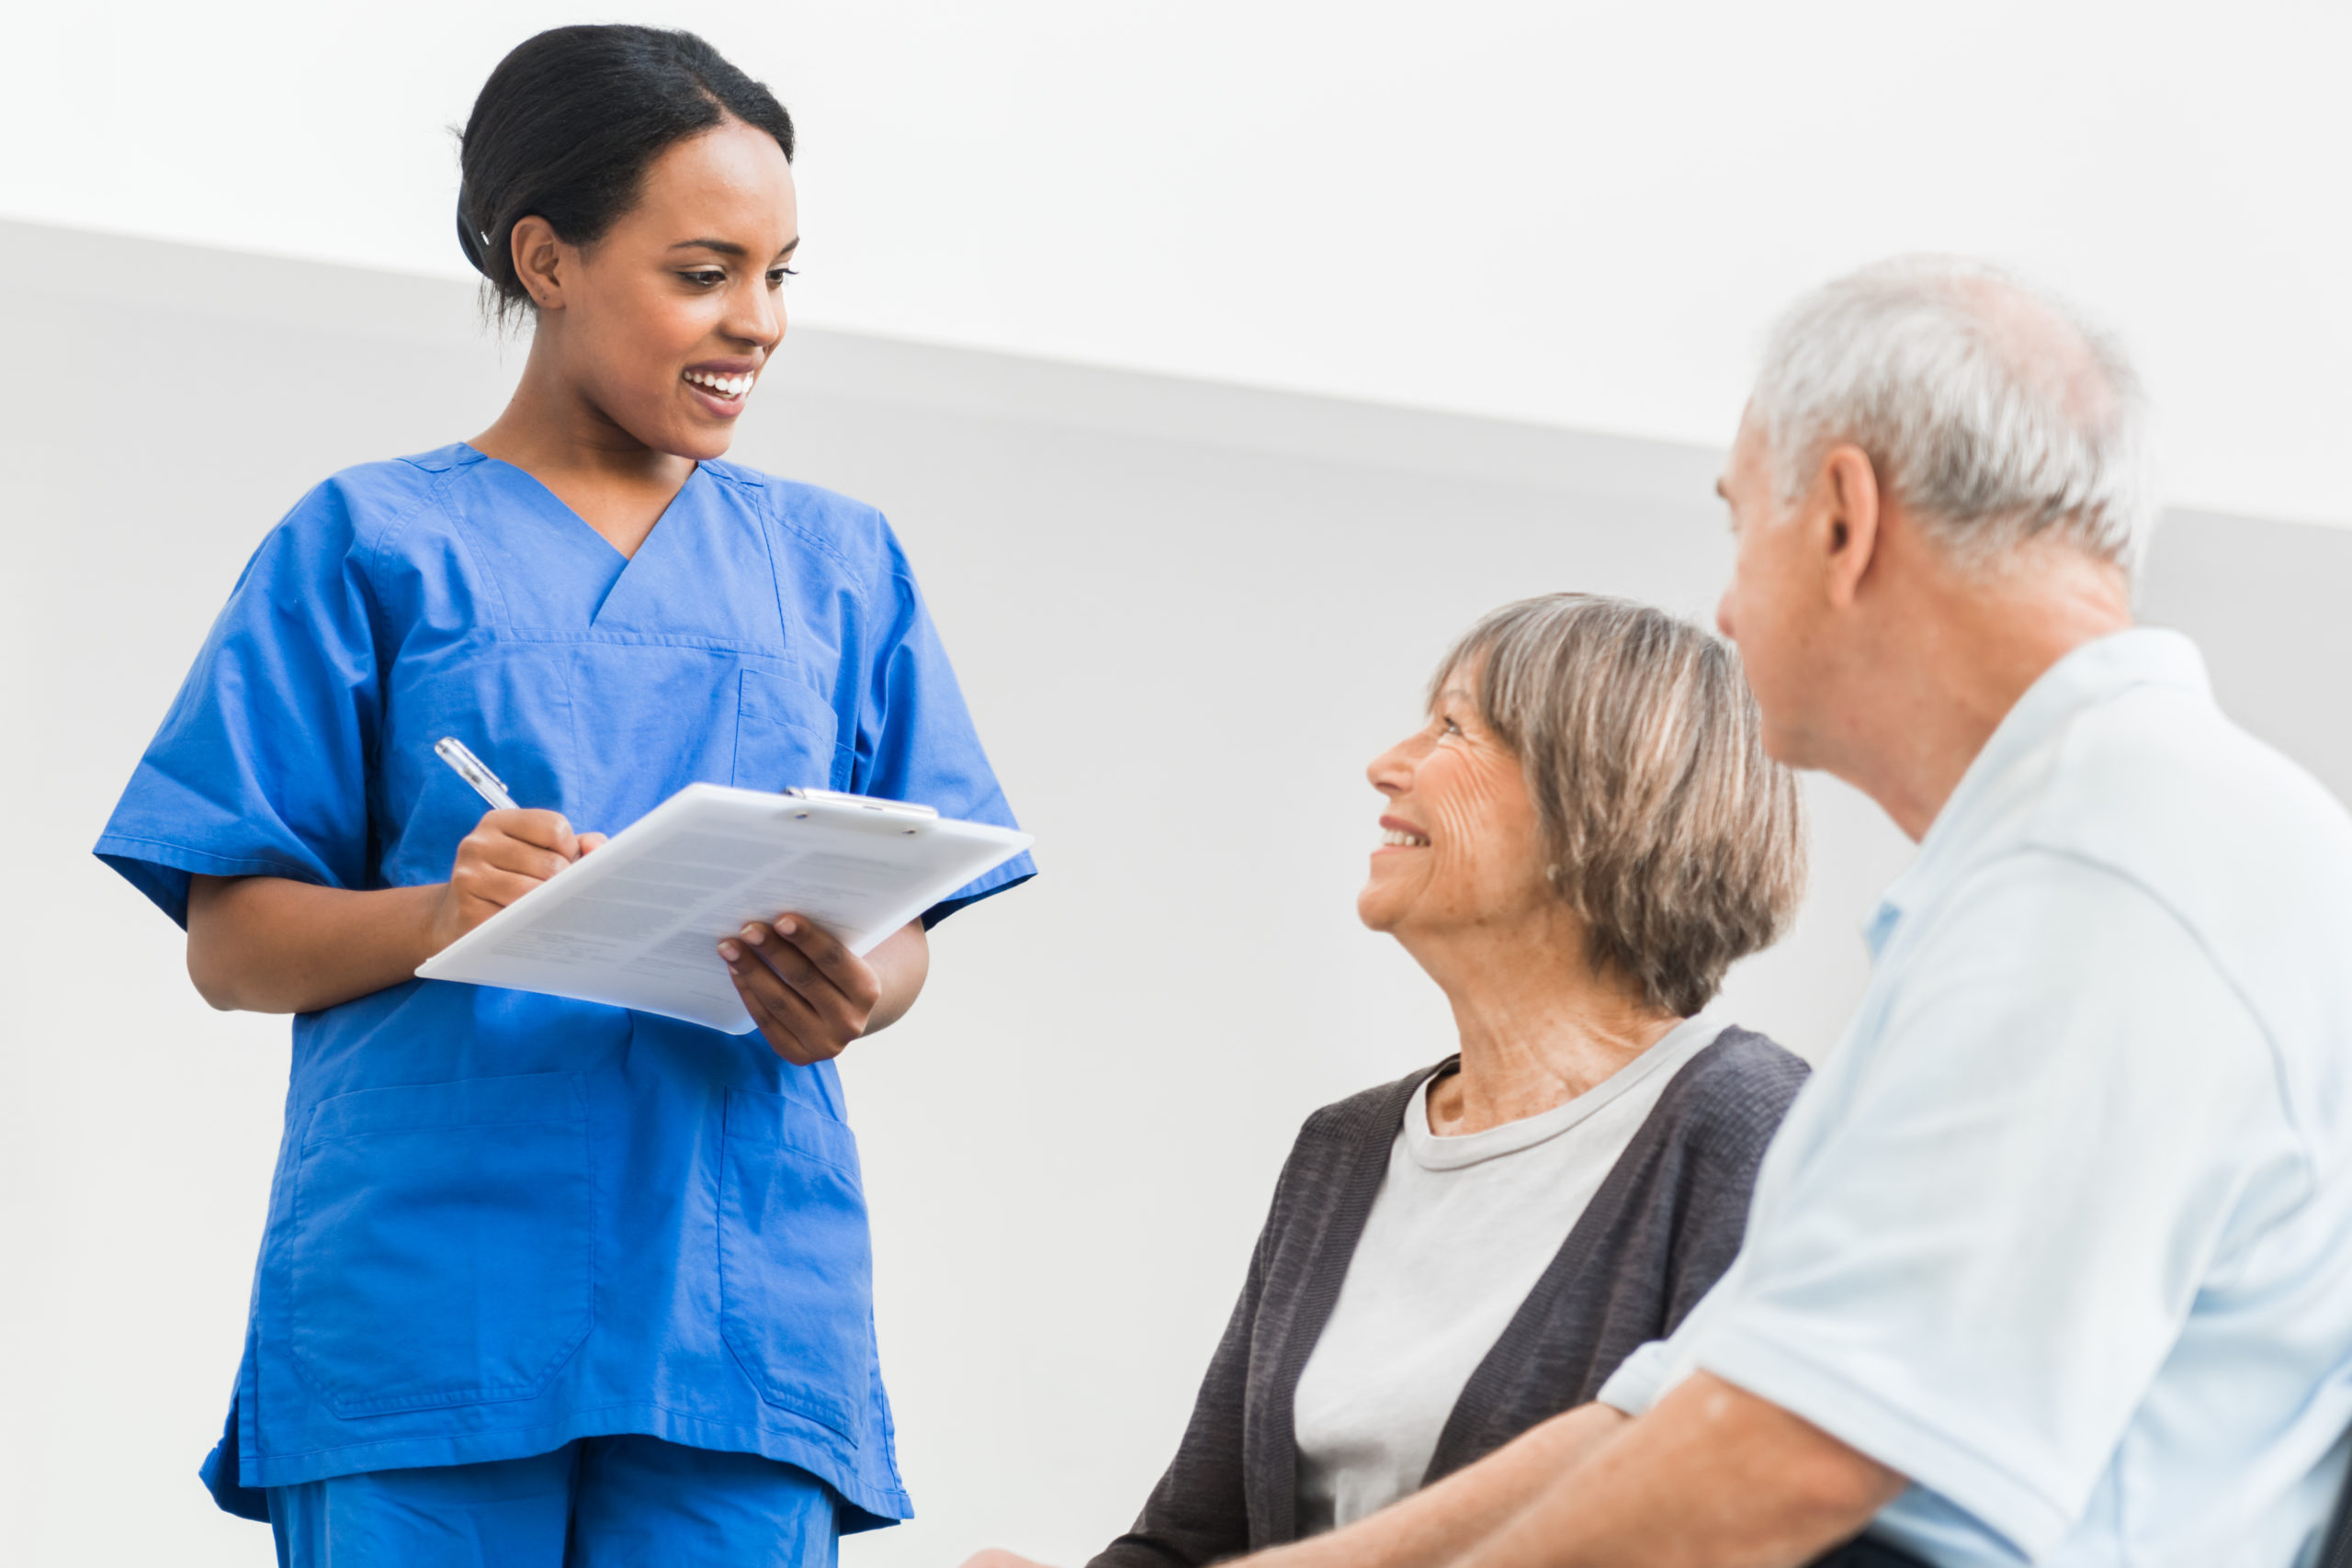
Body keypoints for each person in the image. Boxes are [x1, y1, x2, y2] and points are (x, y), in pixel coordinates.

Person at [1214, 257, 2352, 1568]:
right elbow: (1670, 1417)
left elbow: (1785, 1459)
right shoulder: (2068, 855)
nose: (1725, 604)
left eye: (1737, 520)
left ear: (1843, 519)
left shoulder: (2114, 865)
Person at [92, 25, 1033, 1568]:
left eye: (783, 274)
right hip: (425, 1300)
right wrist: (445, 907)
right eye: (705, 271)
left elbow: (910, 921)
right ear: (545, 256)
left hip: (735, 1310)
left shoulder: (839, 565)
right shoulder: (369, 542)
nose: (759, 322)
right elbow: (234, 942)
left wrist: (850, 987)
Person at [963, 593, 1812, 1568]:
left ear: (1604, 795)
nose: (1387, 765)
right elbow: (1190, 1544)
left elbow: (1721, 1518)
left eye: (1453, 727)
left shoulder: (1751, 1126)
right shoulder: (1347, 1149)